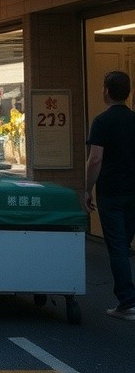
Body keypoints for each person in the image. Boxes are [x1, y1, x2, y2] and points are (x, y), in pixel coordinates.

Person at [85, 69, 135, 320]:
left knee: (117, 247)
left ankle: (127, 302)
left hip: (111, 193)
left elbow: (95, 159)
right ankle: (127, 299)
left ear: (106, 91)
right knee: (124, 244)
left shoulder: (102, 122)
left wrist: (87, 189)